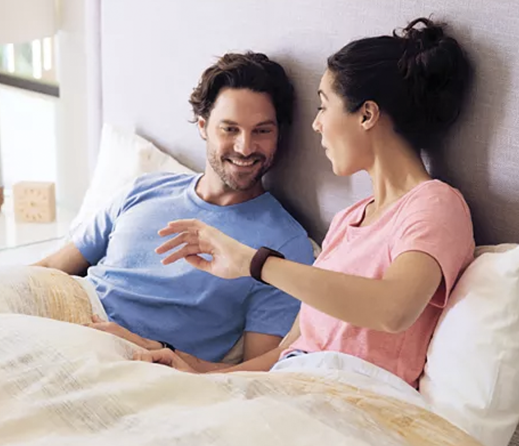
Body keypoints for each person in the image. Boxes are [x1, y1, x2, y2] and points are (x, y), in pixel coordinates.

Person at [138, 17, 475, 388]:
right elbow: (289, 351)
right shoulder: (348, 221)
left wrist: (252, 262)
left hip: (352, 398)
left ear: (366, 114)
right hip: (291, 386)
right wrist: (192, 371)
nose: (316, 125)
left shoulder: (435, 205)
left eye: (323, 106)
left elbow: (394, 310)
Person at [35, 52, 315, 371]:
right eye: (230, 129)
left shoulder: (284, 246)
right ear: (203, 126)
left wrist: (158, 350)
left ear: (279, 134)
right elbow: (51, 267)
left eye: (262, 131)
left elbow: (252, 374)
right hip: (62, 315)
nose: (245, 147)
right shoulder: (145, 189)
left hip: (139, 362)